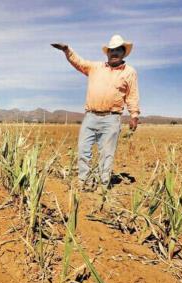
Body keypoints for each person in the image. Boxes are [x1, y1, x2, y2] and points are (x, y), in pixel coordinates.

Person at [51, 34, 140, 191]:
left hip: (112, 119)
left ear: (123, 53)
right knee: (84, 150)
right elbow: (79, 62)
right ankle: (84, 182)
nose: (114, 53)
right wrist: (67, 50)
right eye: (111, 50)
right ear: (107, 53)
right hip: (91, 117)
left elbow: (132, 94)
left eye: (118, 50)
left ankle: (102, 185)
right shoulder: (95, 67)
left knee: (106, 154)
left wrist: (134, 115)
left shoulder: (129, 72)